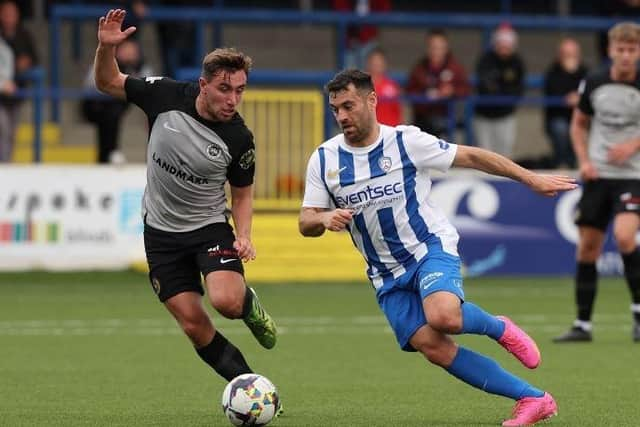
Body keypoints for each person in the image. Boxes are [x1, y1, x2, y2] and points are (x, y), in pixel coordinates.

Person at [300, 69, 576, 426]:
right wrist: (322, 220)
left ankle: (498, 327)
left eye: (348, 106)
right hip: (385, 275)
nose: (341, 116)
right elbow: (305, 221)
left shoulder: (405, 142)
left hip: (428, 248)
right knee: (434, 347)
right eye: (335, 109)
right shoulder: (324, 160)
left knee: (443, 315)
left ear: (372, 100)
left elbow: (473, 157)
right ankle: (534, 399)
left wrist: (529, 178)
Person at [93, 9, 281, 396]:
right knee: (195, 325)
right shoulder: (164, 95)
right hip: (160, 234)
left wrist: (244, 235)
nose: (233, 99)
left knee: (226, 302)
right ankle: (252, 390)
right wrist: (105, 48)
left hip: (208, 227)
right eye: (225, 89)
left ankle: (249, 306)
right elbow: (107, 82)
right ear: (203, 85)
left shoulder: (238, 137)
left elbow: (242, 192)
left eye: (240, 90)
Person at [554, 22, 640, 343]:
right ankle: (583, 325)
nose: (627, 56)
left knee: (625, 237)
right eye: (621, 49)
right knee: (588, 248)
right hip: (598, 175)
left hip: (633, 175)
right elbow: (578, 125)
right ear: (611, 51)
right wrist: (584, 161)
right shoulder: (594, 81)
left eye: (632, 50)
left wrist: (633, 145)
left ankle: (638, 314)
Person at [82, 39, 151, 163]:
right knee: (110, 114)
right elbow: (92, 85)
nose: (130, 54)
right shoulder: (105, 63)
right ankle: (108, 153)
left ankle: (151, 158)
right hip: (100, 104)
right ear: (118, 51)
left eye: (133, 51)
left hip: (123, 102)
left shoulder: (141, 67)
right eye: (126, 50)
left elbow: (151, 87)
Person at [406, 29, 470, 138]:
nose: (436, 51)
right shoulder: (419, 68)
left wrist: (452, 91)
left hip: (448, 123)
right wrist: (426, 96)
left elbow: (466, 89)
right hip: (423, 124)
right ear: (427, 48)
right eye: (433, 47)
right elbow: (410, 92)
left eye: (440, 47)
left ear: (446, 48)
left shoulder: (455, 68)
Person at [474, 23, 525, 158]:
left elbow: (518, 89)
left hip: (506, 115)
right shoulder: (486, 60)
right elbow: (484, 85)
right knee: (484, 156)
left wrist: (500, 90)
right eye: (501, 43)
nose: (504, 47)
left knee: (505, 155)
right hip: (484, 115)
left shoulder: (517, 63)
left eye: (507, 44)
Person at [0, 0, 37, 162]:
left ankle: (6, 165)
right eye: (5, 13)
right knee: (3, 129)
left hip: (15, 94)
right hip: (2, 92)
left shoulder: (24, 36)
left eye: (12, 13)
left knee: (11, 133)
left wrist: (24, 64)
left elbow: (34, 59)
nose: (9, 17)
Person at [543, 37, 588, 169]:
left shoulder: (585, 71)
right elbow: (554, 91)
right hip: (558, 117)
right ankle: (562, 163)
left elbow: (589, 91)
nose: (570, 58)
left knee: (581, 128)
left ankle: (574, 164)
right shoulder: (552, 71)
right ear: (560, 55)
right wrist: (569, 97)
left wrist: (579, 97)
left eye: (573, 54)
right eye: (567, 54)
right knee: (561, 129)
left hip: (581, 117)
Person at [365, 47, 401, 126]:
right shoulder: (362, 86)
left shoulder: (392, 86)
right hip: (370, 132)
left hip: (390, 131)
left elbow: (398, 112)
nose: (377, 64)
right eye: (374, 61)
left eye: (380, 61)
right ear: (368, 63)